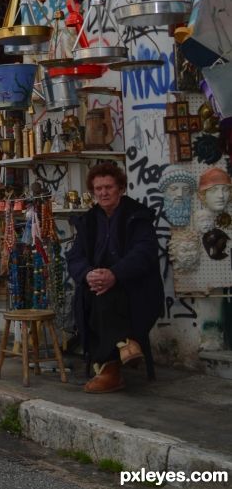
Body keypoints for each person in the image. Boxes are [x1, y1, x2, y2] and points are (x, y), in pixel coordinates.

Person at [65, 161, 164, 394]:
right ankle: (125, 344)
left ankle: (110, 370)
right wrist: (88, 274)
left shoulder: (137, 216)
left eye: (108, 187)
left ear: (120, 188)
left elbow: (144, 252)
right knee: (99, 291)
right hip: (97, 287)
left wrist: (115, 274)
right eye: (98, 189)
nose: (103, 193)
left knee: (105, 294)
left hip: (134, 289)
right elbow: (75, 257)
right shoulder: (88, 220)